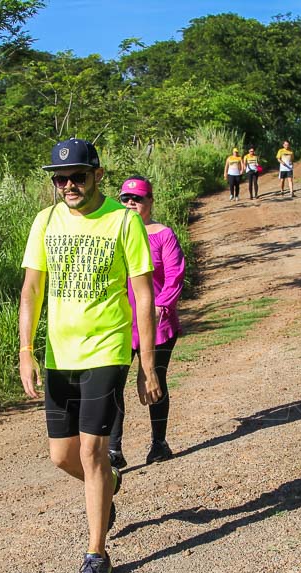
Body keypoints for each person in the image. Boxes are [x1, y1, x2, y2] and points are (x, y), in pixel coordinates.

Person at [19, 138, 163, 573]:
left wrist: (148, 364)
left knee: (91, 451)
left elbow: (143, 295)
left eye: (77, 176)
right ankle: (111, 485)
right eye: (59, 179)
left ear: (97, 174)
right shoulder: (45, 222)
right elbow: (31, 290)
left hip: (108, 348)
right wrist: (25, 349)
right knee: (61, 456)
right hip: (60, 354)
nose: (67, 186)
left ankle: (96, 555)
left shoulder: (123, 221)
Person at [109, 176, 186, 469]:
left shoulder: (163, 234)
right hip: (120, 323)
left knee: (156, 380)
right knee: (114, 383)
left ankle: (159, 443)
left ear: (150, 201)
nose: (131, 204)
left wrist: (159, 307)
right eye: (126, 199)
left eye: (137, 199)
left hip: (158, 322)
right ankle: (114, 449)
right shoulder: (115, 233)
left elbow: (175, 276)